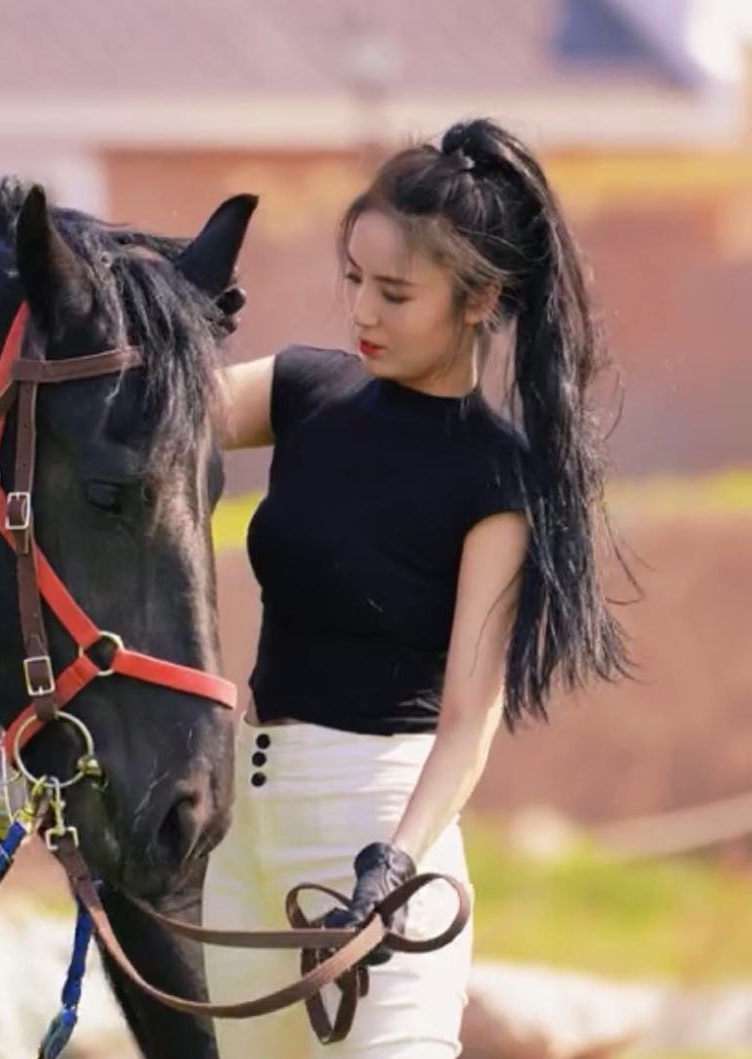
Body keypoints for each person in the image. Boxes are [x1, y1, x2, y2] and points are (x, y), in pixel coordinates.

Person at [203, 117, 631, 1058]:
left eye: (395, 293)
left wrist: (392, 866)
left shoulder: (494, 476)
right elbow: (142, 417)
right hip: (241, 826)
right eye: (353, 279)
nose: (362, 312)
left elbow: (468, 719)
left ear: (477, 299)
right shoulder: (303, 391)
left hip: (375, 832)